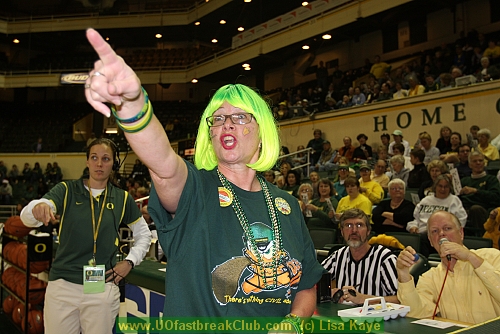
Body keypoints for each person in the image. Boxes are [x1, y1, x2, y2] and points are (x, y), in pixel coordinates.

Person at [84, 28, 324, 321]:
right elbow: (162, 165)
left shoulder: (287, 205)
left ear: (262, 133)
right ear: (210, 134)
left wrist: (293, 323)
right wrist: (132, 105)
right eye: (218, 119)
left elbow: (306, 284)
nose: (227, 125)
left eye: (240, 117)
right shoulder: (195, 188)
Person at [20, 138, 151, 333]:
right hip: (63, 285)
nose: (99, 163)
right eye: (94, 157)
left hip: (101, 285)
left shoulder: (122, 198)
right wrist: (37, 208)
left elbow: (144, 234)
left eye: (106, 159)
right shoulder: (66, 190)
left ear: (114, 163)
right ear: (87, 161)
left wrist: (130, 262)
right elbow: (28, 217)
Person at [396, 211, 500, 324]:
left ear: (461, 233)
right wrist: (403, 273)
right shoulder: (429, 278)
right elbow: (416, 314)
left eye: (447, 228)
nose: (441, 234)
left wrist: (471, 257)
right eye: (435, 231)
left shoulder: (492, 257)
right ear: (430, 240)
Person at [322, 209, 399, 304]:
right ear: (342, 232)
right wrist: (329, 292)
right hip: (344, 316)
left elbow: (401, 299)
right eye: (348, 226)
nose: (354, 230)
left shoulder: (385, 258)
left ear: (368, 231)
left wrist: (364, 299)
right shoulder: (338, 255)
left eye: (359, 225)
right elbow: (314, 280)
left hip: (377, 317)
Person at [407, 175, 467, 257]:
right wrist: (413, 226)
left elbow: (461, 221)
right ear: (435, 187)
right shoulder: (426, 200)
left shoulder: (454, 200)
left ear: (450, 188)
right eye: (440, 186)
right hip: (422, 232)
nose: (443, 189)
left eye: (446, 186)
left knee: (425, 238)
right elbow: (416, 219)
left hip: (442, 235)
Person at [460, 151, 500, 233]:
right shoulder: (464, 181)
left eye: (480, 161)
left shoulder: (491, 179)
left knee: (475, 209)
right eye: (475, 161)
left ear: (484, 163)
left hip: (483, 210)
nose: (478, 163)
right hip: (464, 210)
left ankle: (482, 238)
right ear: (470, 165)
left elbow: (496, 197)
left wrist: (476, 191)